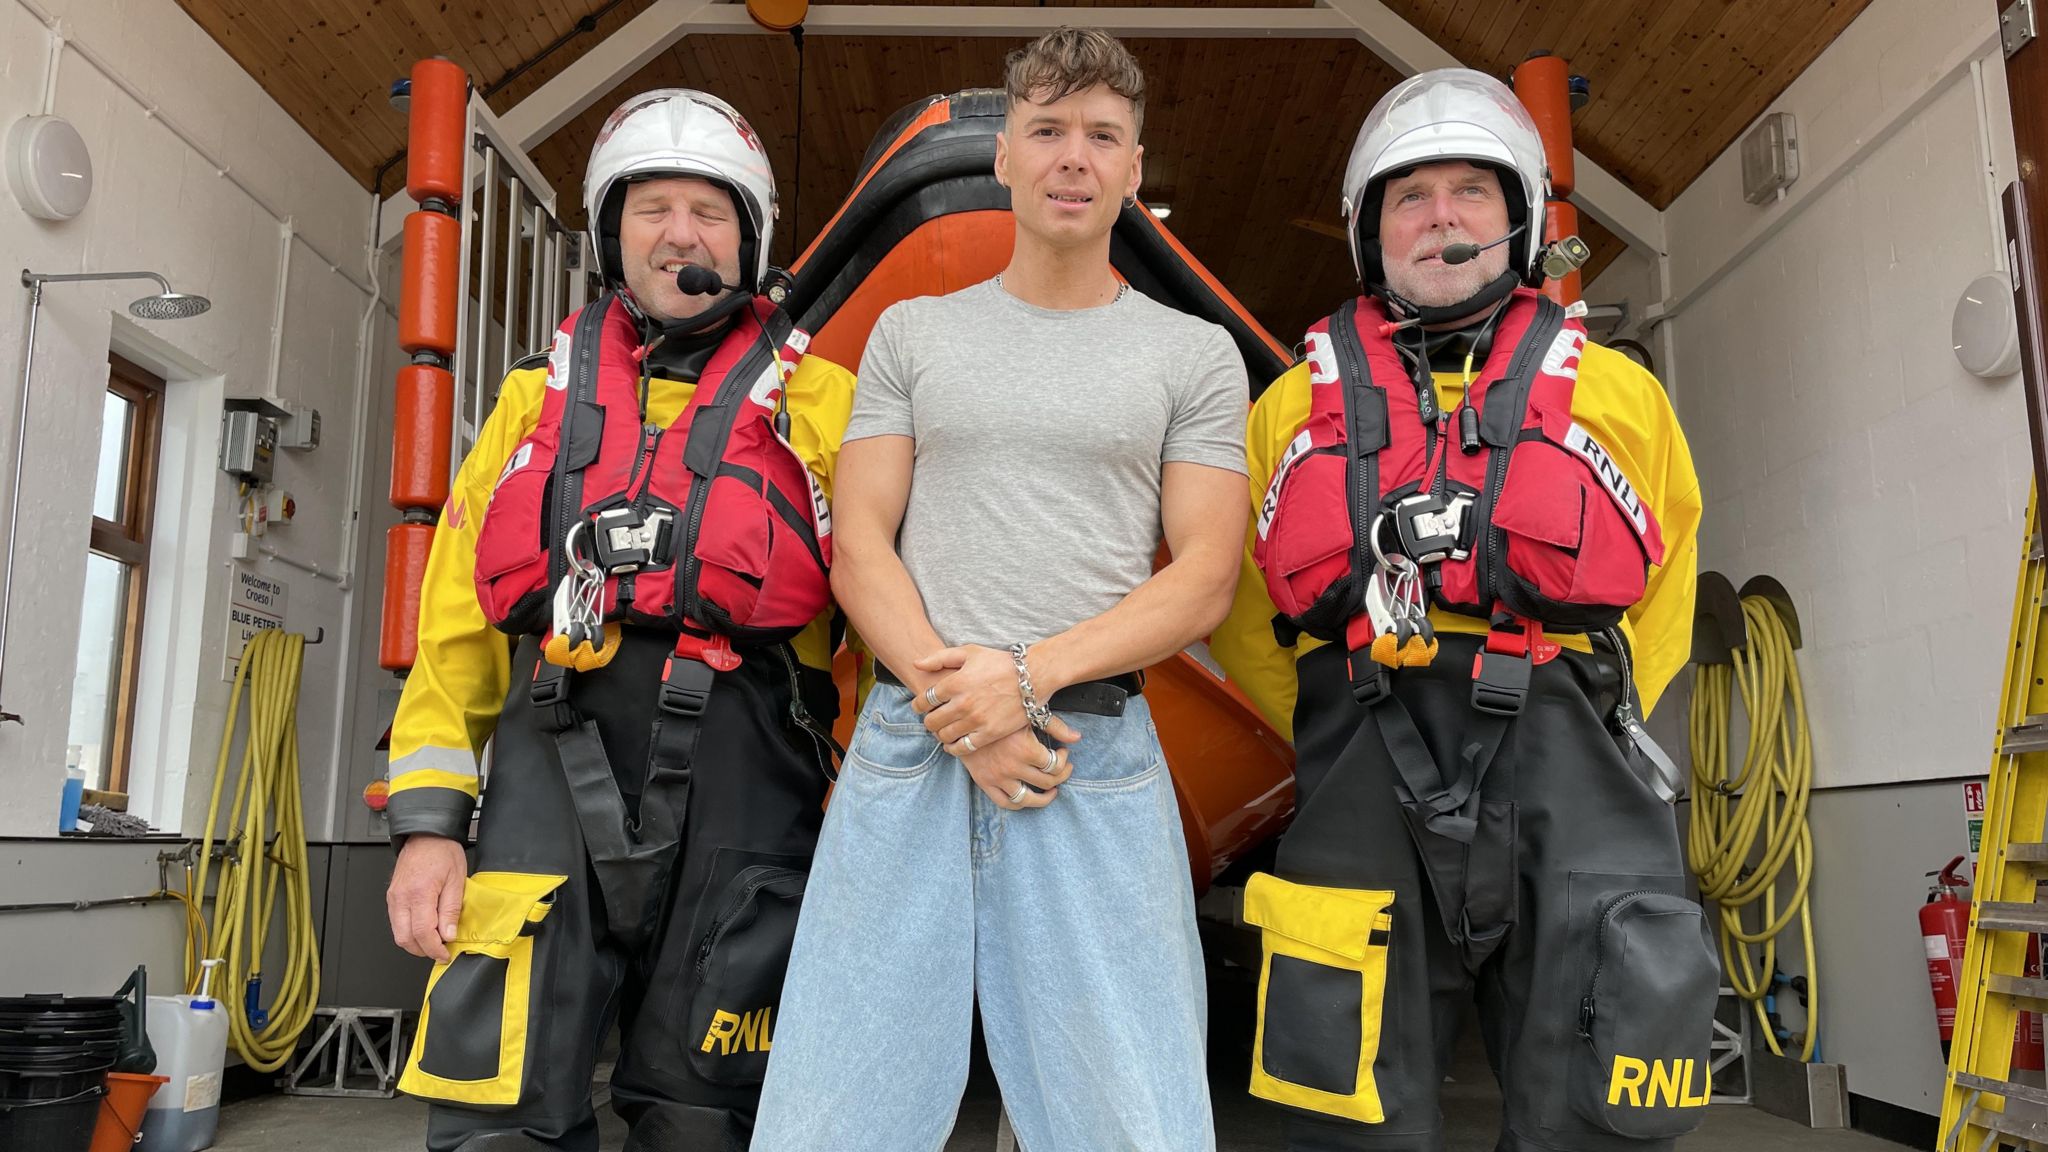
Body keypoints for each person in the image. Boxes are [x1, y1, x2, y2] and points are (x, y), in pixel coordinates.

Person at [750, 28, 1250, 1152]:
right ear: (1006, 161)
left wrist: (1021, 681)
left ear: (1132, 168)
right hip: (912, 739)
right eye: (1047, 130)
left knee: (1129, 1116)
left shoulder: (1193, 354)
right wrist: (959, 708)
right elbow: (861, 547)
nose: (1074, 156)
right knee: (838, 1107)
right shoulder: (910, 334)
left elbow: (1205, 575)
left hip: (1090, 747)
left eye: (1101, 137)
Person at [1210, 68, 1712, 1152]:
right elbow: (1243, 609)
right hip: (1359, 760)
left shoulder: (1621, 396)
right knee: (1341, 1110)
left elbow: (1668, 572)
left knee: (1590, 1103)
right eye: (1410, 197)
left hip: (1567, 757)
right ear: (1367, 233)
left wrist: (1586, 707)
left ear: (1520, 217)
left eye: (1469, 193)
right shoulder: (1286, 409)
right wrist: (1332, 720)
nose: (1440, 217)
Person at [380, 89, 853, 1152]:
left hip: (749, 800)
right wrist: (425, 832)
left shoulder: (826, 407)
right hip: (546, 778)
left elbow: (884, 634)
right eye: (652, 209)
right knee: (493, 1117)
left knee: (705, 1123)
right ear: (608, 231)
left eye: (709, 212)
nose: (680, 234)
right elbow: (454, 627)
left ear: (749, 239)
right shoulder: (528, 406)